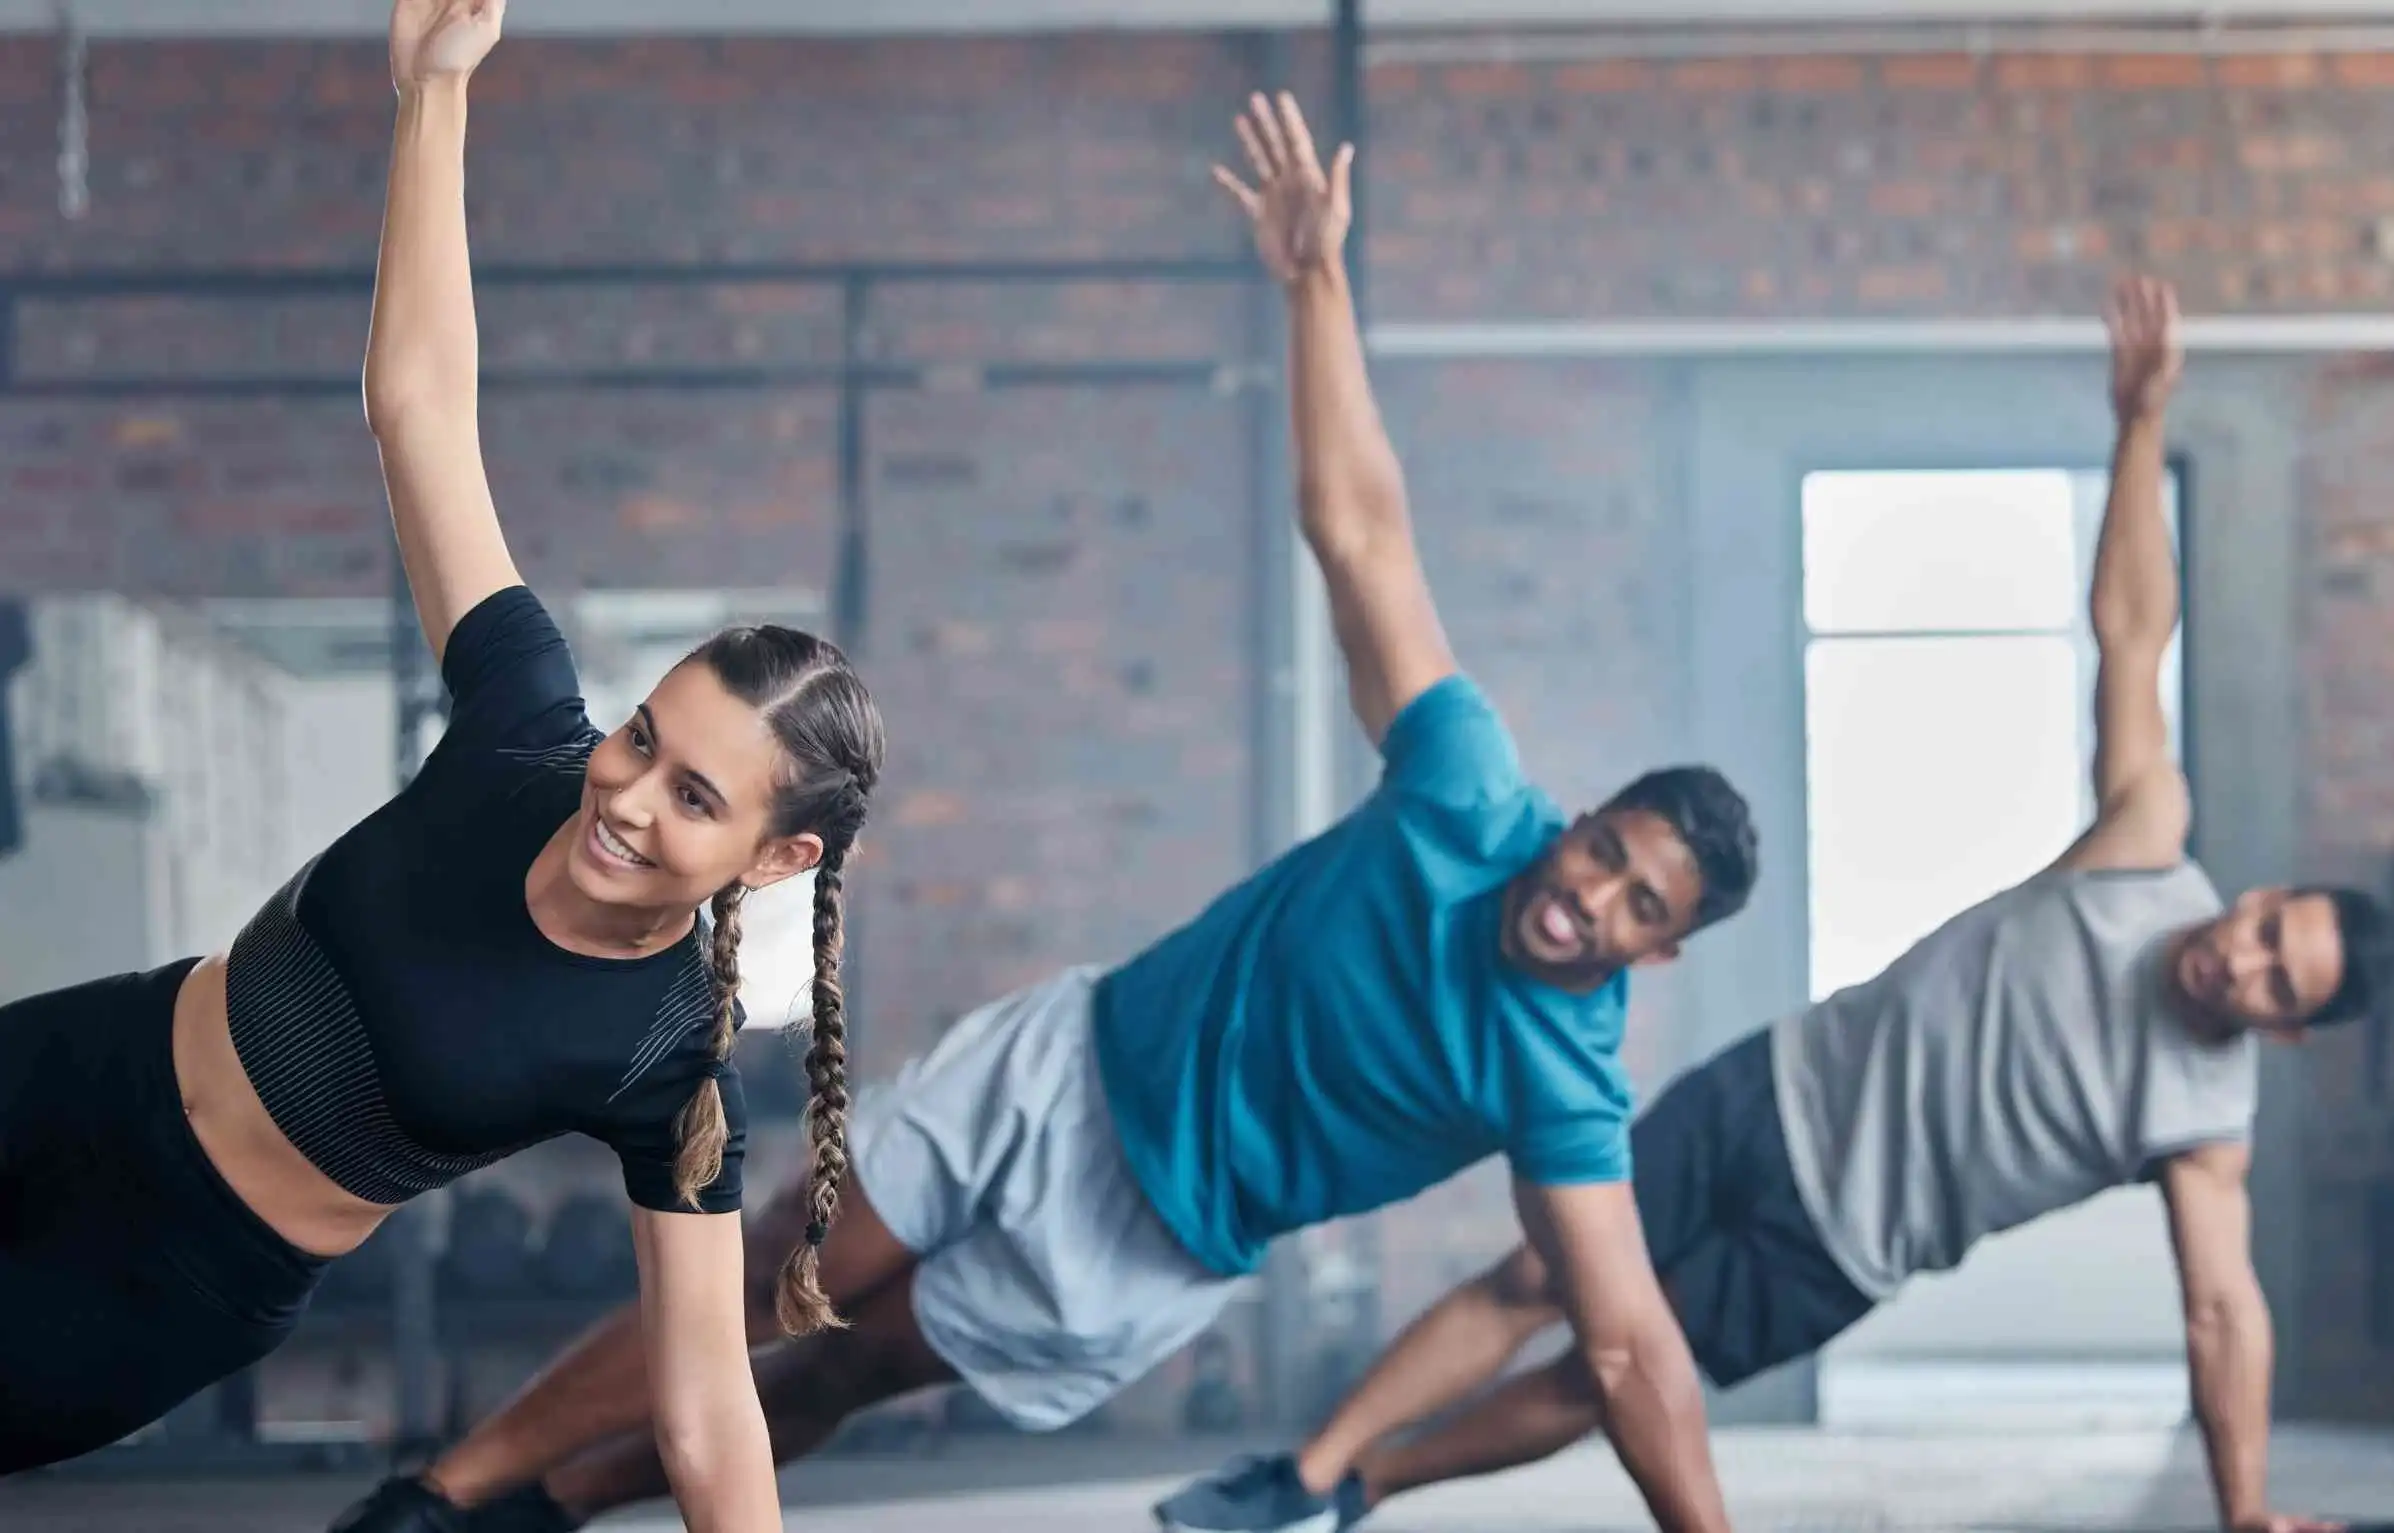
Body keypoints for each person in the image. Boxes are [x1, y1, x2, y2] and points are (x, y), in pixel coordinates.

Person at [322, 90, 1761, 1533]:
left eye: (1641, 907)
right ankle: (435, 1499)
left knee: (825, 1375)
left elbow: (1628, 1344)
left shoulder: (1563, 1082)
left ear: (1658, 954)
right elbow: (1361, 533)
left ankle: (533, 1516)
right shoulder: (1466, 787)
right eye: (1605, 852)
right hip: (1068, 1065)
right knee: (773, 1276)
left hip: (1148, 1240)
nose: (1592, 897)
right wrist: (1313, 282)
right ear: (1579, 819)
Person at [1155, 275, 2389, 1533]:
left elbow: (2223, 1310)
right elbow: (2131, 633)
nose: (2243, 967)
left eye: (2277, 989)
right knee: (1536, 1272)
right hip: (1774, 1092)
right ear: (2264, 899)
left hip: (1838, 1250)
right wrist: (2139, 426)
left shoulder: (2205, 1119)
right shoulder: (2145, 848)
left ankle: (1366, 1485)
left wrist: (2245, 1512)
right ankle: (1299, 1477)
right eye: (2266, 935)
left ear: (2283, 1031)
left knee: (1609, 1373)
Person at [0, 4, 882, 1526]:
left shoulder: (665, 1059)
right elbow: (419, 412)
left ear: (776, 857)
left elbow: (701, 1400)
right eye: (642, 739)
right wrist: (432, 98)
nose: (622, 794)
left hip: (178, 1270)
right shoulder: (521, 724)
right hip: (89, 1063)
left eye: (693, 798)